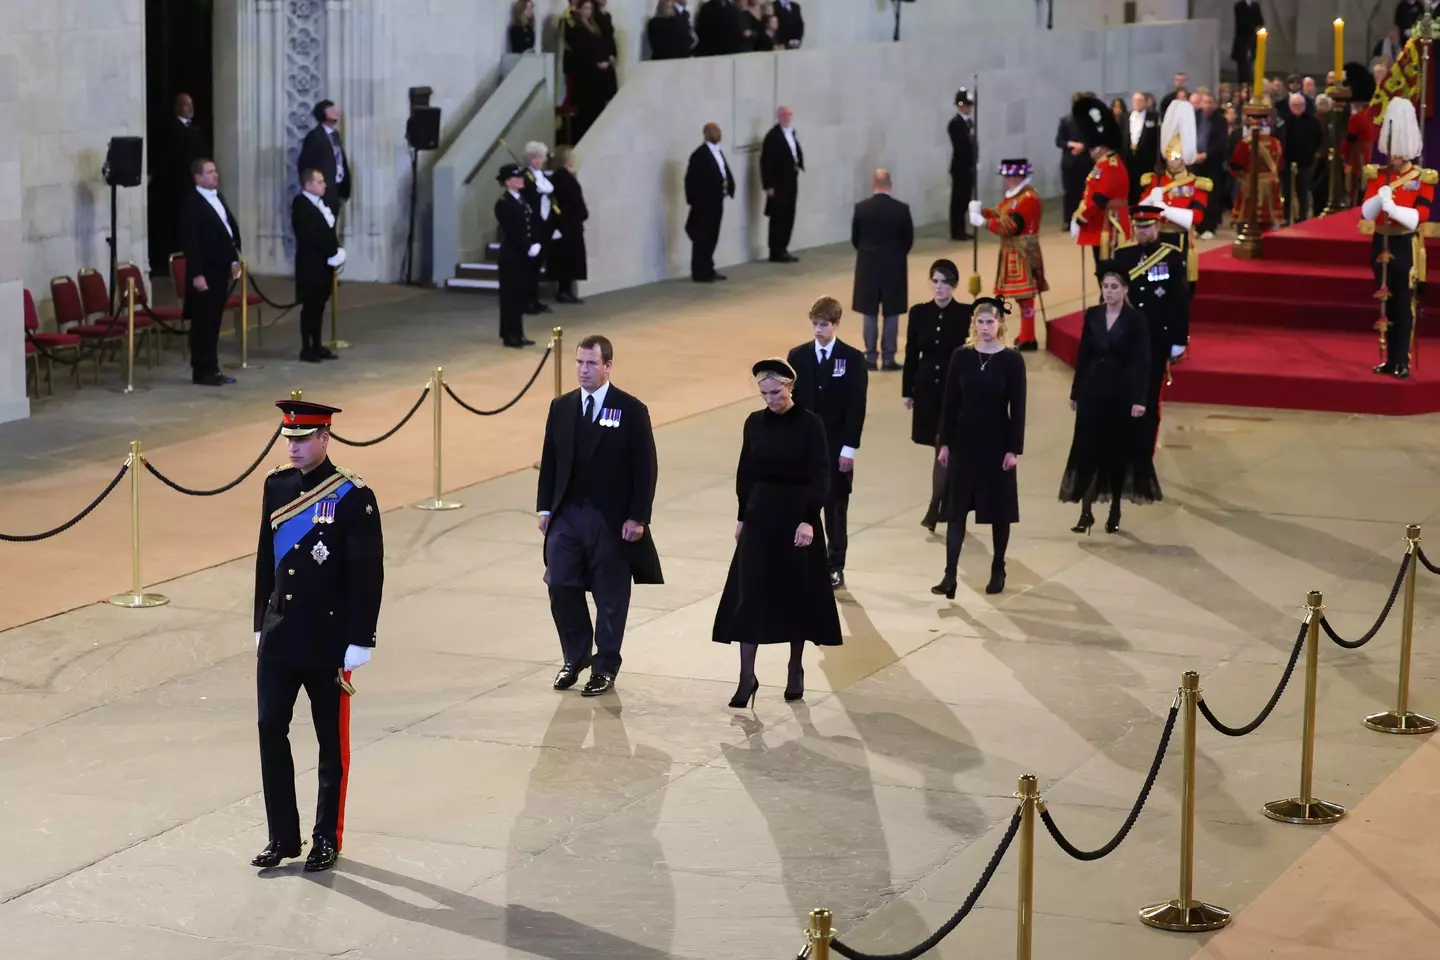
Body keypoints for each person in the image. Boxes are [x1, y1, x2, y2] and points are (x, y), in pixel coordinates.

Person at [251, 399, 383, 873]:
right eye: (289, 438)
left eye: (303, 439)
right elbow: (267, 560)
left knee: (331, 742)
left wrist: (360, 639)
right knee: (270, 731)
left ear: (325, 437)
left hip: (329, 640)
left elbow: (368, 573)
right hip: (281, 636)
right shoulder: (276, 486)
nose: (294, 447)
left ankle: (326, 836)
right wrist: (258, 624)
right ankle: (283, 835)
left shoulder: (353, 496)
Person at [536, 335, 663, 696]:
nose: (583, 370)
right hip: (568, 516)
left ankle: (605, 665)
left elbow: (646, 468)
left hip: (611, 521)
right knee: (559, 583)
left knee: (610, 597)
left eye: (591, 363)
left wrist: (638, 517)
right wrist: (545, 507)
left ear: (608, 365)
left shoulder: (630, 410)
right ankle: (576, 657)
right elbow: (551, 461)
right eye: (579, 363)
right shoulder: (561, 407)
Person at [712, 357, 841, 708]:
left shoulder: (811, 425)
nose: (770, 399)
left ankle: (795, 667)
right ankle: (746, 677)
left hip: (797, 515)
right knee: (749, 594)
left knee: (795, 595)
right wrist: (741, 515)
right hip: (760, 514)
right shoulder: (754, 423)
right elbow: (745, 471)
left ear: (790, 386)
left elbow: (821, 475)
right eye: (764, 393)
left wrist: (808, 519)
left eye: (775, 392)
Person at [931, 298, 1026, 599]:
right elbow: (950, 402)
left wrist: (1014, 449)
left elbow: (1019, 408)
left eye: (991, 322)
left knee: (999, 510)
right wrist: (944, 442)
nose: (985, 328)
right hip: (963, 440)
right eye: (980, 322)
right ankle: (949, 576)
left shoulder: (1012, 360)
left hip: (997, 442)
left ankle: (998, 566)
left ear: (1000, 324)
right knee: (956, 510)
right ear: (974, 324)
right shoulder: (961, 356)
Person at [1058, 261, 1160, 535]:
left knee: (1116, 452)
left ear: (1125, 289)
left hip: (1121, 394)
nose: (1109, 292)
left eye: (1114, 287)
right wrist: (1076, 391)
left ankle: (1115, 508)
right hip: (1093, 390)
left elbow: (1142, 361)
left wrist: (1140, 399)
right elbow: (1083, 356)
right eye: (1105, 287)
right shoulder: (1092, 315)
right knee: (1088, 450)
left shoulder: (1136, 320)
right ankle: (1086, 512)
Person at [786, 297, 867, 589]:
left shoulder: (853, 359)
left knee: (835, 508)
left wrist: (849, 448)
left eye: (823, 325)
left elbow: (856, 407)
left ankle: (836, 565)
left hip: (835, 445)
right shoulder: (797, 357)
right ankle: (805, 562)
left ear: (836, 324)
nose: (818, 330)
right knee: (802, 506)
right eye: (815, 325)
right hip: (804, 446)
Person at [1360, 97, 1435, 380]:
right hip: (1381, 242)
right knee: (1386, 303)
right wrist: (1380, 201)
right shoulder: (1378, 176)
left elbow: (1420, 217)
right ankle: (1389, 359)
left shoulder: (1421, 178)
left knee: (1404, 303)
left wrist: (1393, 207)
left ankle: (1402, 359)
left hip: (1405, 244)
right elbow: (1366, 212)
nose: (1395, 157)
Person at [1111, 206, 1189, 454]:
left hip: (1157, 335)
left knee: (1150, 395)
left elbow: (1180, 300)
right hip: (1126, 336)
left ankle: (1145, 451)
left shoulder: (1172, 257)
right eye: (1137, 227)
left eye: (1146, 227)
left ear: (1157, 227)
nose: (1141, 232)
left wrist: (1178, 339)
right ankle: (1125, 444)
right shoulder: (1122, 256)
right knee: (1123, 392)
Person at [902, 259, 972, 532]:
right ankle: (944, 505)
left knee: (946, 448)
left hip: (955, 390)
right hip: (928, 389)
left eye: (945, 281)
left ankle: (936, 505)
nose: (940, 287)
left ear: (954, 285)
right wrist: (907, 390)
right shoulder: (919, 313)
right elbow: (910, 353)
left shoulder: (966, 313)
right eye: (936, 281)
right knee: (939, 447)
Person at [968, 158, 1046, 351]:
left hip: (1023, 251)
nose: (1007, 180)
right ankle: (1025, 334)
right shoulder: (1014, 196)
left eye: (1010, 176)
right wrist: (982, 212)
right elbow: (1000, 212)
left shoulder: (1028, 198)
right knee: (1021, 298)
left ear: (1020, 175)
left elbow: (1010, 225)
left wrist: (984, 222)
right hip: (1012, 251)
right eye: (1006, 176)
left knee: (1026, 296)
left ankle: (1029, 337)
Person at [180, 158, 241, 387]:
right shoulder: (192, 204)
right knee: (202, 322)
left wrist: (233, 259)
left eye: (216, 171)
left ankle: (213, 367)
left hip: (219, 268)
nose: (216, 175)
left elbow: (227, 232)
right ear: (198, 177)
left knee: (214, 320)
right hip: (204, 271)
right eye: (210, 172)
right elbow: (191, 242)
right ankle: (201, 369)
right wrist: (196, 274)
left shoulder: (218, 198)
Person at [1142, 99, 1209, 288]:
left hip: (1180, 243)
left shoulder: (1197, 184)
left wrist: (1163, 209)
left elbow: (1196, 217)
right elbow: (1139, 212)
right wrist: (1149, 199)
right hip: (1156, 241)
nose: (1172, 161)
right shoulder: (1155, 181)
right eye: (1169, 156)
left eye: (1176, 157)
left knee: (1178, 290)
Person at [851, 168, 914, 370]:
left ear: (873, 184)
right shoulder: (901, 209)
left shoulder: (861, 208)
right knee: (892, 313)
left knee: (869, 312)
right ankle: (888, 358)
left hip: (868, 266)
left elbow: (856, 239)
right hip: (894, 267)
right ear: (890, 184)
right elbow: (908, 240)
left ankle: (870, 357)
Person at [1070, 95, 1132, 266]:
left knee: (1109, 271)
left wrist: (1081, 218)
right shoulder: (1103, 165)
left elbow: (1099, 198)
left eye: (1093, 147)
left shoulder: (1110, 166)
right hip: (1102, 223)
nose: (1090, 151)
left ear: (1102, 146)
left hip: (1109, 224)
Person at [291, 169, 345, 363]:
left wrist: (335, 250)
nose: (324, 185)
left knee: (319, 306)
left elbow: (328, 233)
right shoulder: (301, 204)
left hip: (323, 264)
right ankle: (307, 348)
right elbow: (312, 235)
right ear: (308, 185)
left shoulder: (321, 204)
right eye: (320, 182)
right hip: (310, 264)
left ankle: (317, 344)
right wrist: (332, 252)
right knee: (310, 307)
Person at [156, 92, 209, 272]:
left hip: (195, 185)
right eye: (186, 105)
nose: (191, 109)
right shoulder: (171, 129)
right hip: (178, 187)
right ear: (177, 107)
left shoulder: (196, 128)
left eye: (191, 104)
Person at [494, 163, 538, 348]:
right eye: (516, 178)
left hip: (522, 255)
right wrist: (527, 245)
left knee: (520, 295)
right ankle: (508, 334)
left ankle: (518, 333)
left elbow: (530, 222)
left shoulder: (522, 199)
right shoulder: (503, 203)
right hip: (512, 254)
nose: (521, 180)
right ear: (507, 182)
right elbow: (511, 229)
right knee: (510, 296)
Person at [684, 122, 735, 282]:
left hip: (717, 201)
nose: (718, 133)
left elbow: (724, 172)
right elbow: (690, 181)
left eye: (719, 131)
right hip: (703, 205)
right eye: (714, 131)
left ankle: (708, 268)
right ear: (706, 134)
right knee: (702, 237)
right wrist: (695, 202)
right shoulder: (699, 155)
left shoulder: (718, 152)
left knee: (713, 235)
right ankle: (699, 272)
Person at [760, 105, 804, 263]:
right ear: (778, 116)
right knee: (778, 216)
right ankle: (775, 251)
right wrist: (768, 185)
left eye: (789, 114)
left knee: (789, 214)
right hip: (778, 183)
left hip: (791, 180)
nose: (787, 117)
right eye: (784, 115)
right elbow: (765, 162)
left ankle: (784, 247)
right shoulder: (772, 136)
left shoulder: (791, 133)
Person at [520, 141, 557, 314]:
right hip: (532, 224)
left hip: (544, 223)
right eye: (534, 157)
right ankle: (526, 300)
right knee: (530, 266)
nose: (538, 161)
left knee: (538, 265)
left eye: (540, 157)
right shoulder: (525, 176)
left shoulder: (541, 175)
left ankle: (535, 300)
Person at [548, 146, 589, 304]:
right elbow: (573, 200)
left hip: (568, 223)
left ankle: (566, 290)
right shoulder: (563, 178)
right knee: (567, 259)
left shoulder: (559, 177)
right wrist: (581, 214)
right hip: (568, 224)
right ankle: (564, 291)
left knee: (567, 259)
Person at [1229, 112, 1284, 227]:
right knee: (1268, 219)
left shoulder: (1245, 144)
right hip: (1270, 184)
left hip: (1251, 184)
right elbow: (1279, 163)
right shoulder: (1275, 143)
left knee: (1248, 217)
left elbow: (1235, 164)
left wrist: (1240, 177)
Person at [565, 1, 610, 141]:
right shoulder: (577, 28)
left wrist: (605, 59)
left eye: (590, 8)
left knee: (597, 108)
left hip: (597, 74)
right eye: (585, 8)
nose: (588, 11)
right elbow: (581, 50)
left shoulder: (594, 26)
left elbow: (599, 44)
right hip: (586, 73)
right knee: (587, 110)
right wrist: (596, 62)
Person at [298, 100, 351, 217]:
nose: (335, 112)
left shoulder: (335, 135)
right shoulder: (314, 136)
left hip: (336, 188)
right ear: (323, 114)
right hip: (323, 189)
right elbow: (305, 164)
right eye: (331, 110)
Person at [1278, 92, 1323, 222]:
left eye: (1300, 105)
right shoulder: (1285, 121)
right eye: (1294, 105)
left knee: (1303, 192)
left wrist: (1311, 152)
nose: (1297, 107)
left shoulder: (1313, 121)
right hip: (1287, 162)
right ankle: (1287, 217)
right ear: (1290, 106)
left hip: (1305, 162)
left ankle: (1302, 217)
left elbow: (1318, 139)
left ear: (1304, 105)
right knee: (1287, 192)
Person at [1193, 90, 1229, 238]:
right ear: (1201, 103)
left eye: (1210, 103)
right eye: (1205, 102)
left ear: (1214, 104)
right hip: (1195, 162)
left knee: (1212, 196)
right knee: (1196, 195)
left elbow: (1222, 143)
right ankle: (1197, 225)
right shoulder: (1195, 117)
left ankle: (1209, 227)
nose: (1207, 105)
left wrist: (1206, 154)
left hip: (1212, 162)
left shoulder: (1220, 120)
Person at [1057, 92, 1096, 228]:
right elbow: (1059, 141)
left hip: (1086, 161)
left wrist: (1083, 146)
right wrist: (1072, 144)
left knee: (1084, 191)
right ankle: (1068, 220)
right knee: (1069, 192)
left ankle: (1083, 218)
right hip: (1070, 162)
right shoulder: (1065, 121)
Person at [949, 89, 976, 241]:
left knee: (966, 199)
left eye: (970, 105)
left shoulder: (969, 123)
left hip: (969, 167)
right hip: (960, 167)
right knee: (958, 200)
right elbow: (961, 146)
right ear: (960, 106)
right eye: (966, 105)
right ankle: (956, 230)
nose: (969, 108)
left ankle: (962, 229)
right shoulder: (955, 124)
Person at [1125, 90, 1161, 205]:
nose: (1137, 103)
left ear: (1145, 102)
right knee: (1130, 189)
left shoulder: (1154, 118)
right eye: (1135, 100)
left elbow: (1157, 139)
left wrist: (1158, 161)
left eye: (1140, 100)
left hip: (1146, 161)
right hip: (1129, 160)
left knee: (1146, 188)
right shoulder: (1126, 117)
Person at [1233, 1, 1264, 86]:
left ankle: (1251, 82)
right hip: (1243, 39)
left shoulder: (1255, 5)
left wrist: (1257, 28)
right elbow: (1241, 22)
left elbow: (1260, 21)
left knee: (1252, 61)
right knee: (1242, 63)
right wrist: (1253, 27)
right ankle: (1242, 83)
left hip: (1253, 38)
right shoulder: (1239, 6)